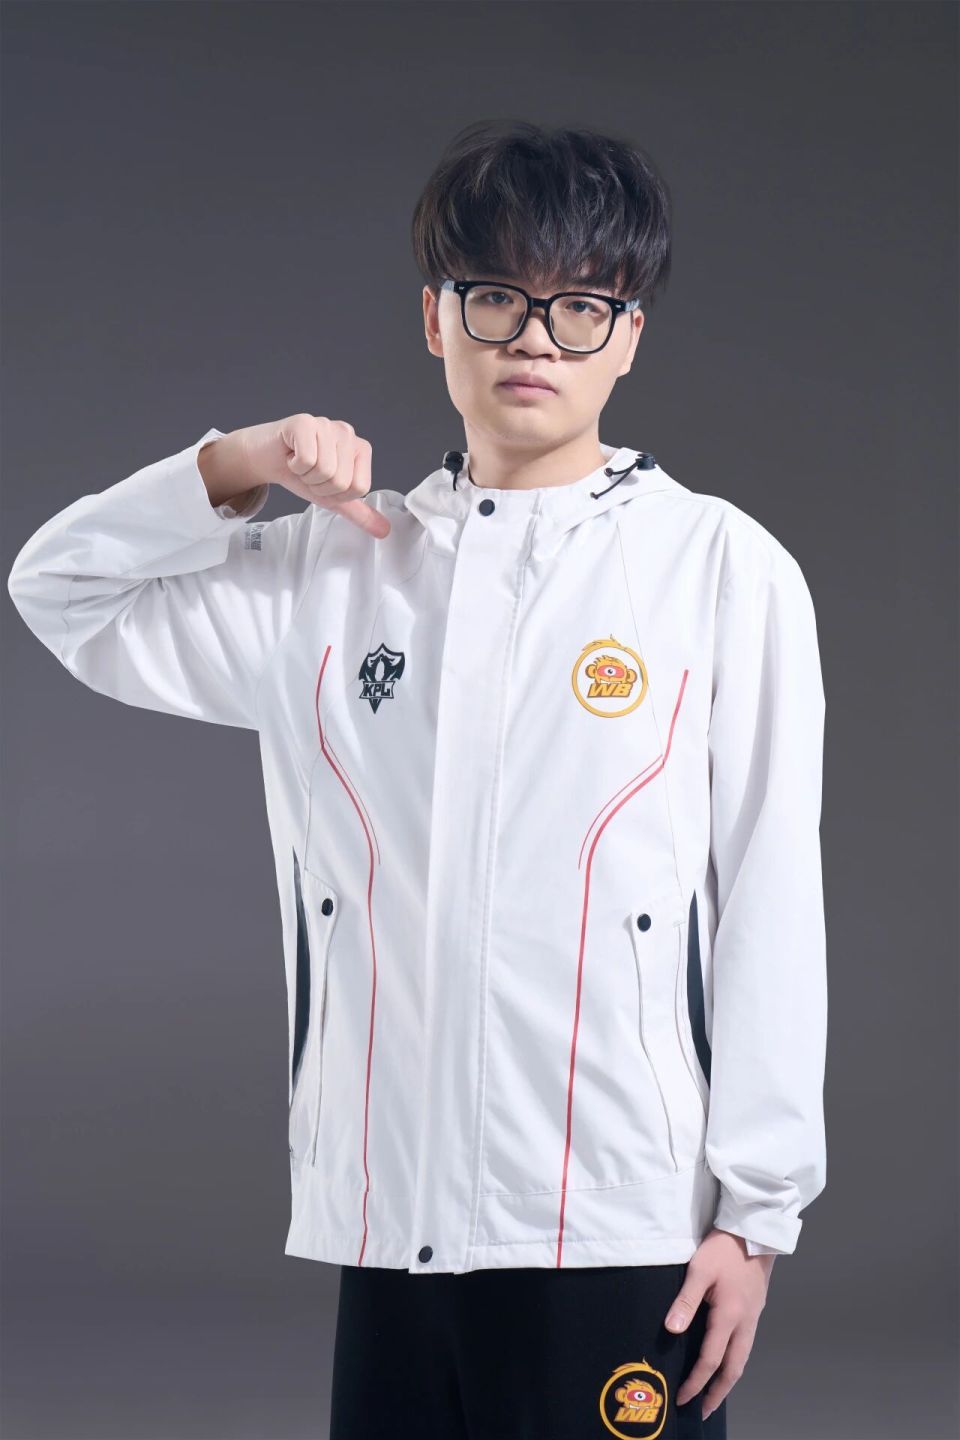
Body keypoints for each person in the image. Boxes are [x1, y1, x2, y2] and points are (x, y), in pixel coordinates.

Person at [7, 119, 827, 1439]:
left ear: (628, 335)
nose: (534, 340)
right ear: (437, 318)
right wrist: (236, 464)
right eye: (497, 296)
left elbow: (772, 898)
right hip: (394, 1217)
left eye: (580, 306)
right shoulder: (331, 570)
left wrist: (756, 1216)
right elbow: (59, 589)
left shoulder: (719, 569)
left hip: (620, 1219)